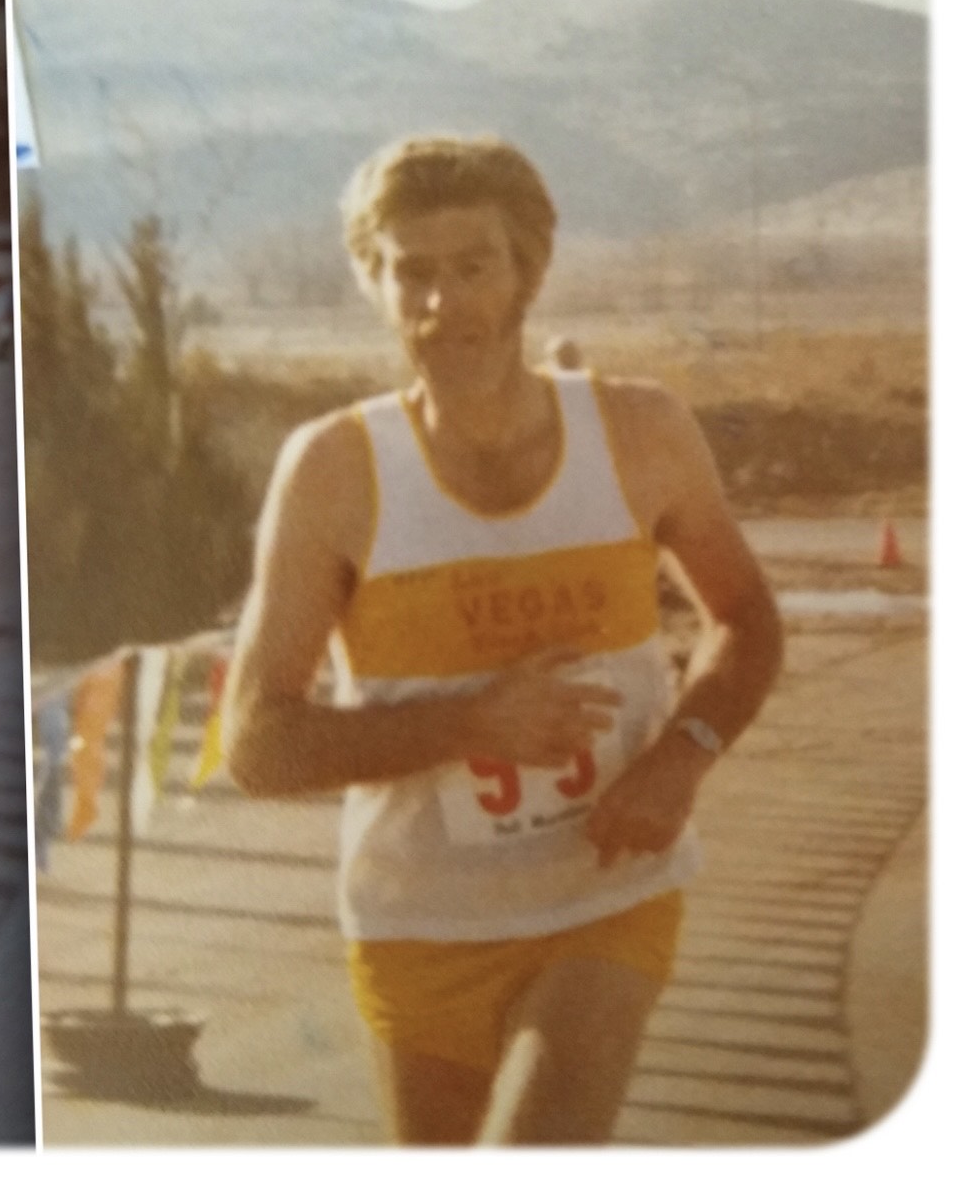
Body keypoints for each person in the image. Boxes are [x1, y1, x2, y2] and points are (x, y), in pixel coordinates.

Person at [224, 134, 782, 1145]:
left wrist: (680, 760)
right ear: (376, 284)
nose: (444, 305)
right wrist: (468, 724)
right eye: (413, 274)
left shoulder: (641, 430)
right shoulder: (335, 471)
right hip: (414, 920)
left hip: (606, 895)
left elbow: (745, 618)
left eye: (473, 266)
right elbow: (259, 740)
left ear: (527, 270)